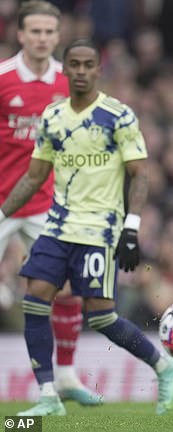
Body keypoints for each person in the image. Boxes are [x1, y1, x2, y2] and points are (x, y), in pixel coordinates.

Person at [0, 39, 173, 417]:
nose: (82, 71)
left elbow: (140, 174)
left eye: (89, 64)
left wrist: (131, 228)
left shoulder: (118, 116)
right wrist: (3, 213)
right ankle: (49, 396)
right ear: (65, 71)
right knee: (35, 298)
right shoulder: (52, 117)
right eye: (75, 65)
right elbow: (34, 177)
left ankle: (166, 366)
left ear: (99, 70)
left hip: (99, 229)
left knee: (100, 316)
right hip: (57, 225)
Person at [0, 0, 100, 406]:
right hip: (3, 200)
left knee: (71, 289)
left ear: (58, 36)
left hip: (49, 204)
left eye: (48, 32)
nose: (42, 38)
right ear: (20, 34)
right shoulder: (3, 79)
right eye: (34, 31)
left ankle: (66, 376)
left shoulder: (71, 83)